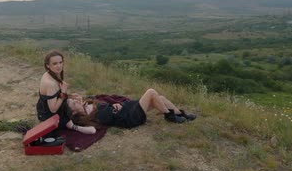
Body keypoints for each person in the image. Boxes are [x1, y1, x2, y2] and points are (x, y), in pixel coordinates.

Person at [66, 88, 196, 132]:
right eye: (73, 103)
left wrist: (115, 105)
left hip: (126, 109)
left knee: (159, 98)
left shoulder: (87, 102)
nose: (76, 100)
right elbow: (93, 129)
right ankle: (169, 116)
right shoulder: (87, 119)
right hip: (128, 118)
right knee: (151, 92)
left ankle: (179, 114)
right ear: (73, 113)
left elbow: (79, 96)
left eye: (75, 99)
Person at [36, 50, 96, 134]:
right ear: (48, 65)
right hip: (47, 116)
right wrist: (64, 93)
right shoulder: (50, 83)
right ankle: (73, 126)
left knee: (72, 103)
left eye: (60, 62)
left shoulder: (51, 73)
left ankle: (73, 121)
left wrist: (69, 96)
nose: (59, 66)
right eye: (55, 63)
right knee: (72, 110)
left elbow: (55, 95)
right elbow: (53, 109)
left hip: (43, 107)